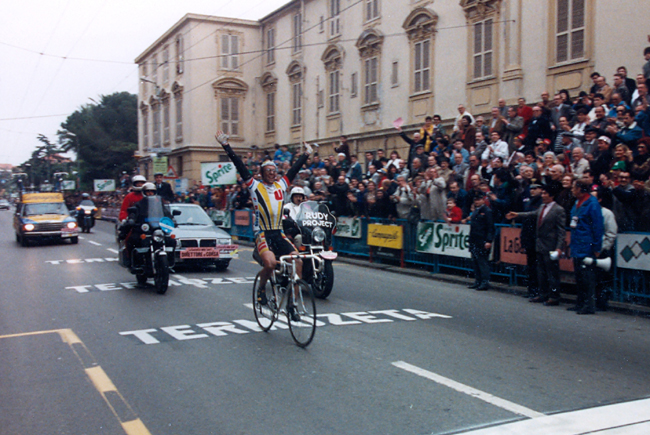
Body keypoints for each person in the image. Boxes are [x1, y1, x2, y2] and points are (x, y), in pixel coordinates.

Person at [216, 131, 311, 320]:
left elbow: (293, 171)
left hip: (278, 232)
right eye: (268, 171)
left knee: (298, 261)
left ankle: (292, 303)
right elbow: (240, 166)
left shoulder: (281, 185)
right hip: (262, 233)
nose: (272, 173)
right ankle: (261, 290)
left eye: (274, 171)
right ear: (262, 173)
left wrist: (306, 154)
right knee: (270, 263)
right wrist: (226, 146)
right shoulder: (254, 185)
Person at [506, 184, 566, 306]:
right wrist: (517, 214)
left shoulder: (558, 210)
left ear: (551, 195)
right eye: (542, 193)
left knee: (551, 273)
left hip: (550, 245)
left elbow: (561, 231)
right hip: (539, 244)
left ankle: (554, 296)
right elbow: (532, 214)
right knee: (541, 272)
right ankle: (542, 294)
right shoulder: (542, 207)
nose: (543, 195)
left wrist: (559, 247)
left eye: (545, 193)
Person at [567, 179, 604, 315]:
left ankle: (589, 305)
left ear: (580, 189)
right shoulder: (577, 203)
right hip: (577, 244)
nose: (572, 190)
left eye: (574, 188)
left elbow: (597, 227)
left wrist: (597, 247)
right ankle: (580, 302)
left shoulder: (592, 204)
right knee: (579, 276)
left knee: (587, 277)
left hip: (587, 245)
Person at [467, 191, 494, 291]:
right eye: (475, 200)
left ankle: (484, 282)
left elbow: (490, 227)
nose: (477, 202)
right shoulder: (475, 211)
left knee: (482, 262)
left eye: (479, 200)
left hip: (482, 239)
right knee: (475, 261)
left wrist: (489, 240)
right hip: (474, 239)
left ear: (483, 200)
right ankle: (478, 280)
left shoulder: (487, 211)